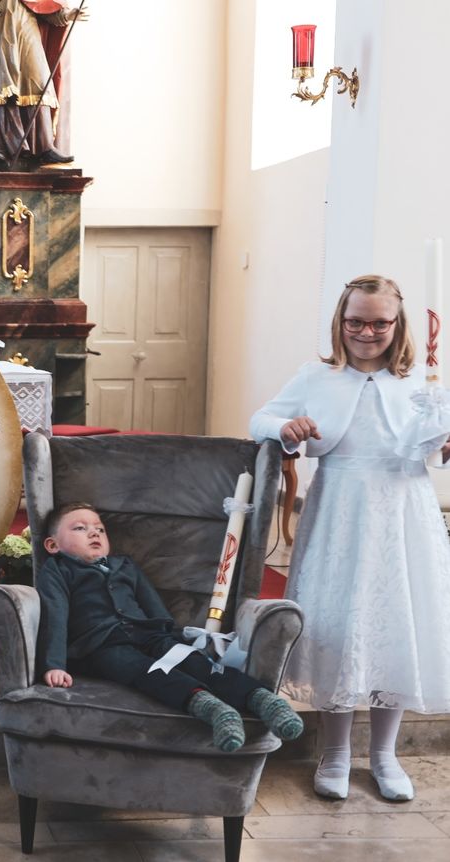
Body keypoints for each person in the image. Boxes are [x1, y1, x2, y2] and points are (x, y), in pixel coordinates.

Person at [250, 274, 450, 801]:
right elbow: (260, 418)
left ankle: (384, 755)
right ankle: (335, 752)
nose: (367, 332)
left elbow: (433, 449)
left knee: (397, 624)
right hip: (339, 511)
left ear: (398, 324)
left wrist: (444, 444)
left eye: (380, 323)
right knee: (338, 626)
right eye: (355, 321)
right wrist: (285, 429)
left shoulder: (420, 380)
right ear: (340, 321)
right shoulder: (318, 376)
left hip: (403, 512)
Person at [36, 503, 304, 753]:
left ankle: (263, 700)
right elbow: (55, 614)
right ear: (52, 544)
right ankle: (212, 708)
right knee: (146, 670)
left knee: (194, 661)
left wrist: (174, 639)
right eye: (80, 528)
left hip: (149, 633)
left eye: (100, 529)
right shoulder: (57, 571)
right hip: (103, 644)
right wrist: (54, 664)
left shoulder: (124, 565)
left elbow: (151, 603)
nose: (94, 533)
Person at [0, 1, 84, 168]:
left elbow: (46, 8)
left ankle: (44, 146)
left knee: (38, 86)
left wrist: (67, 15)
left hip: (27, 34)